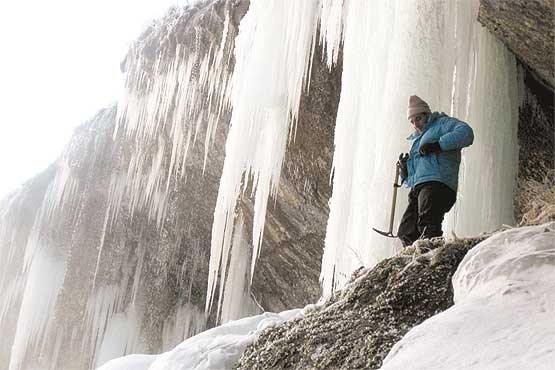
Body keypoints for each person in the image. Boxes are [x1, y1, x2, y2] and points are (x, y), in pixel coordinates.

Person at [396, 95, 474, 247]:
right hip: (420, 187)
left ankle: (433, 256)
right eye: (412, 122)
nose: (416, 124)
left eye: (418, 118)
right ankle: (416, 260)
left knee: (428, 222)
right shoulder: (417, 140)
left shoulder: (442, 123)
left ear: (427, 114)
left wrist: (438, 145)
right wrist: (405, 172)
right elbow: (414, 179)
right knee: (406, 231)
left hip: (438, 183)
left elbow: (466, 133)